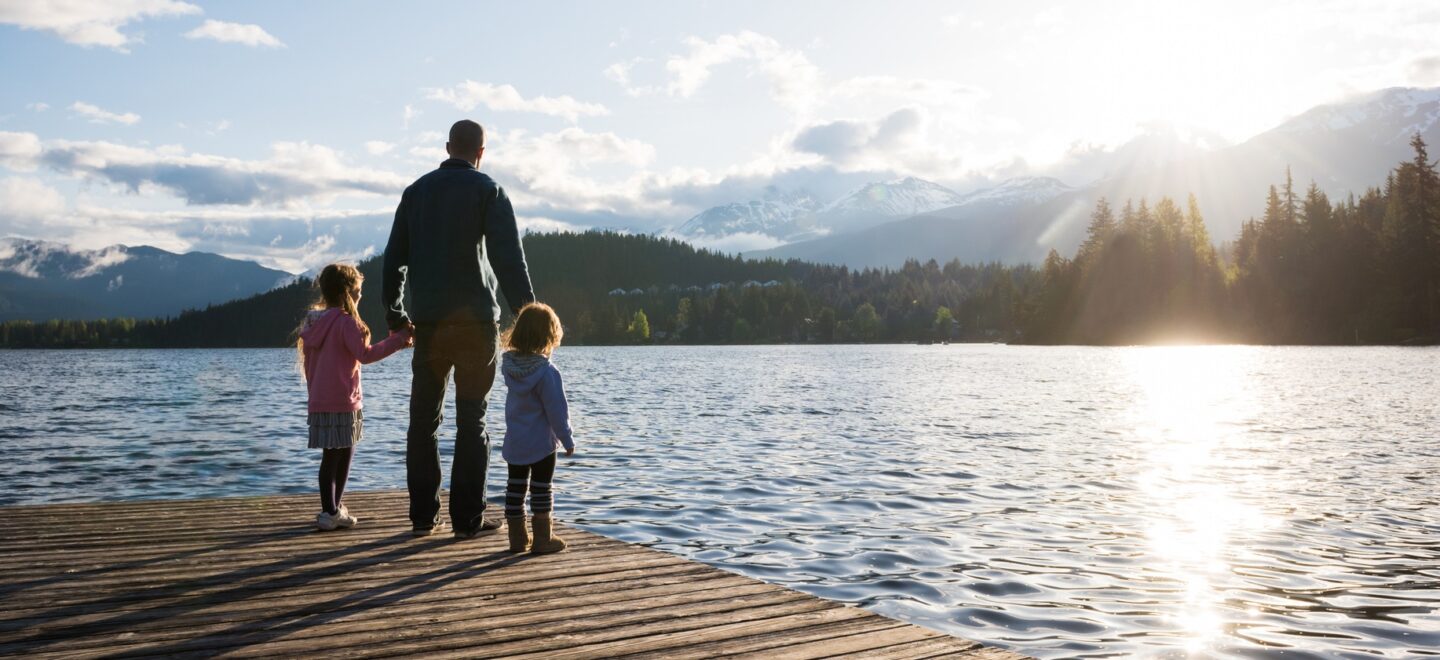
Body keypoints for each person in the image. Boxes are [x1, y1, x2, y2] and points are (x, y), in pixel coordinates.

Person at [382, 119, 536, 539]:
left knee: (423, 421)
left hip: (429, 324)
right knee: (473, 420)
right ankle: (467, 519)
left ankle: (422, 518)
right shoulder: (488, 190)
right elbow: (509, 261)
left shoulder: (415, 193)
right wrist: (529, 318)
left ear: (448, 146)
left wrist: (396, 316)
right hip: (476, 326)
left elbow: (394, 259)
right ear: (481, 152)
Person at [298, 264, 412, 531]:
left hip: (319, 400)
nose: (361, 295)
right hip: (344, 400)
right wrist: (399, 340)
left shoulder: (313, 323)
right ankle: (332, 511)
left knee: (329, 456)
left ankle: (331, 510)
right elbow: (366, 355)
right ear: (347, 292)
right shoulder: (346, 322)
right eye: (358, 291)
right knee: (345, 452)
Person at [499, 302, 575, 554]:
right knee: (541, 489)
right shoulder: (546, 372)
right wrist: (566, 438)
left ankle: (517, 538)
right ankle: (543, 538)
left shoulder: (510, 368)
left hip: (515, 442)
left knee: (515, 487)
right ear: (549, 335)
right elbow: (557, 410)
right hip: (541, 444)